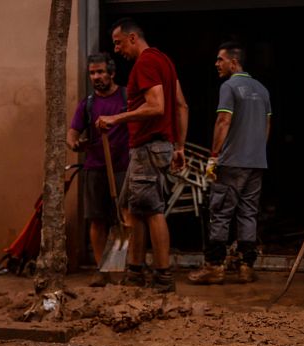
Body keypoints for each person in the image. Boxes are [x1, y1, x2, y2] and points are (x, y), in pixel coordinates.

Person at [96, 18, 189, 293]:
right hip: (160, 146)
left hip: (148, 147)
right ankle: (135, 270)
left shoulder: (145, 63)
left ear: (133, 38)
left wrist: (116, 118)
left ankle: (162, 276)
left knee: (151, 210)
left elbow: (157, 106)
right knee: (129, 206)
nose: (116, 49)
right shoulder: (165, 62)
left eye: (118, 42)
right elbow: (182, 105)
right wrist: (179, 146)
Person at [188, 41, 271, 285]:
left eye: (220, 59)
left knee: (220, 213)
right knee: (248, 213)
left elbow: (223, 120)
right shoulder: (262, 90)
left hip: (232, 163)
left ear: (234, 62)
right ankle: (246, 267)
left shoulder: (229, 86)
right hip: (257, 163)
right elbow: (267, 126)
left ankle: (214, 266)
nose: (216, 64)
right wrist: (257, 152)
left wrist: (214, 155)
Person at [66, 53, 129, 287]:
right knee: (97, 220)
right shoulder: (88, 104)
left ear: (112, 73)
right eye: (92, 73)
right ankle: (101, 269)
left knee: (122, 220)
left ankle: (118, 268)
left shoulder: (125, 96)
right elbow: (72, 132)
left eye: (101, 72)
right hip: (94, 168)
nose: (96, 77)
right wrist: (73, 143)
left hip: (122, 167)